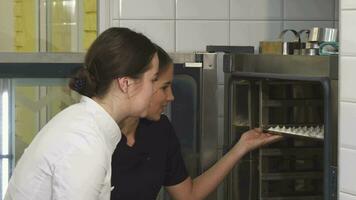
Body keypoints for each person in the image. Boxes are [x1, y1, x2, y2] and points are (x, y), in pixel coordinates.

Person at [5, 27, 159, 200]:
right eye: (153, 79)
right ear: (126, 84)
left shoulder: (85, 123)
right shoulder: (85, 141)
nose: (155, 90)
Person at [110, 45, 282, 200]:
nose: (171, 97)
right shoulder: (99, 135)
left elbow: (188, 195)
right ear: (134, 85)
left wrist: (241, 147)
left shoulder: (159, 129)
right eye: (164, 87)